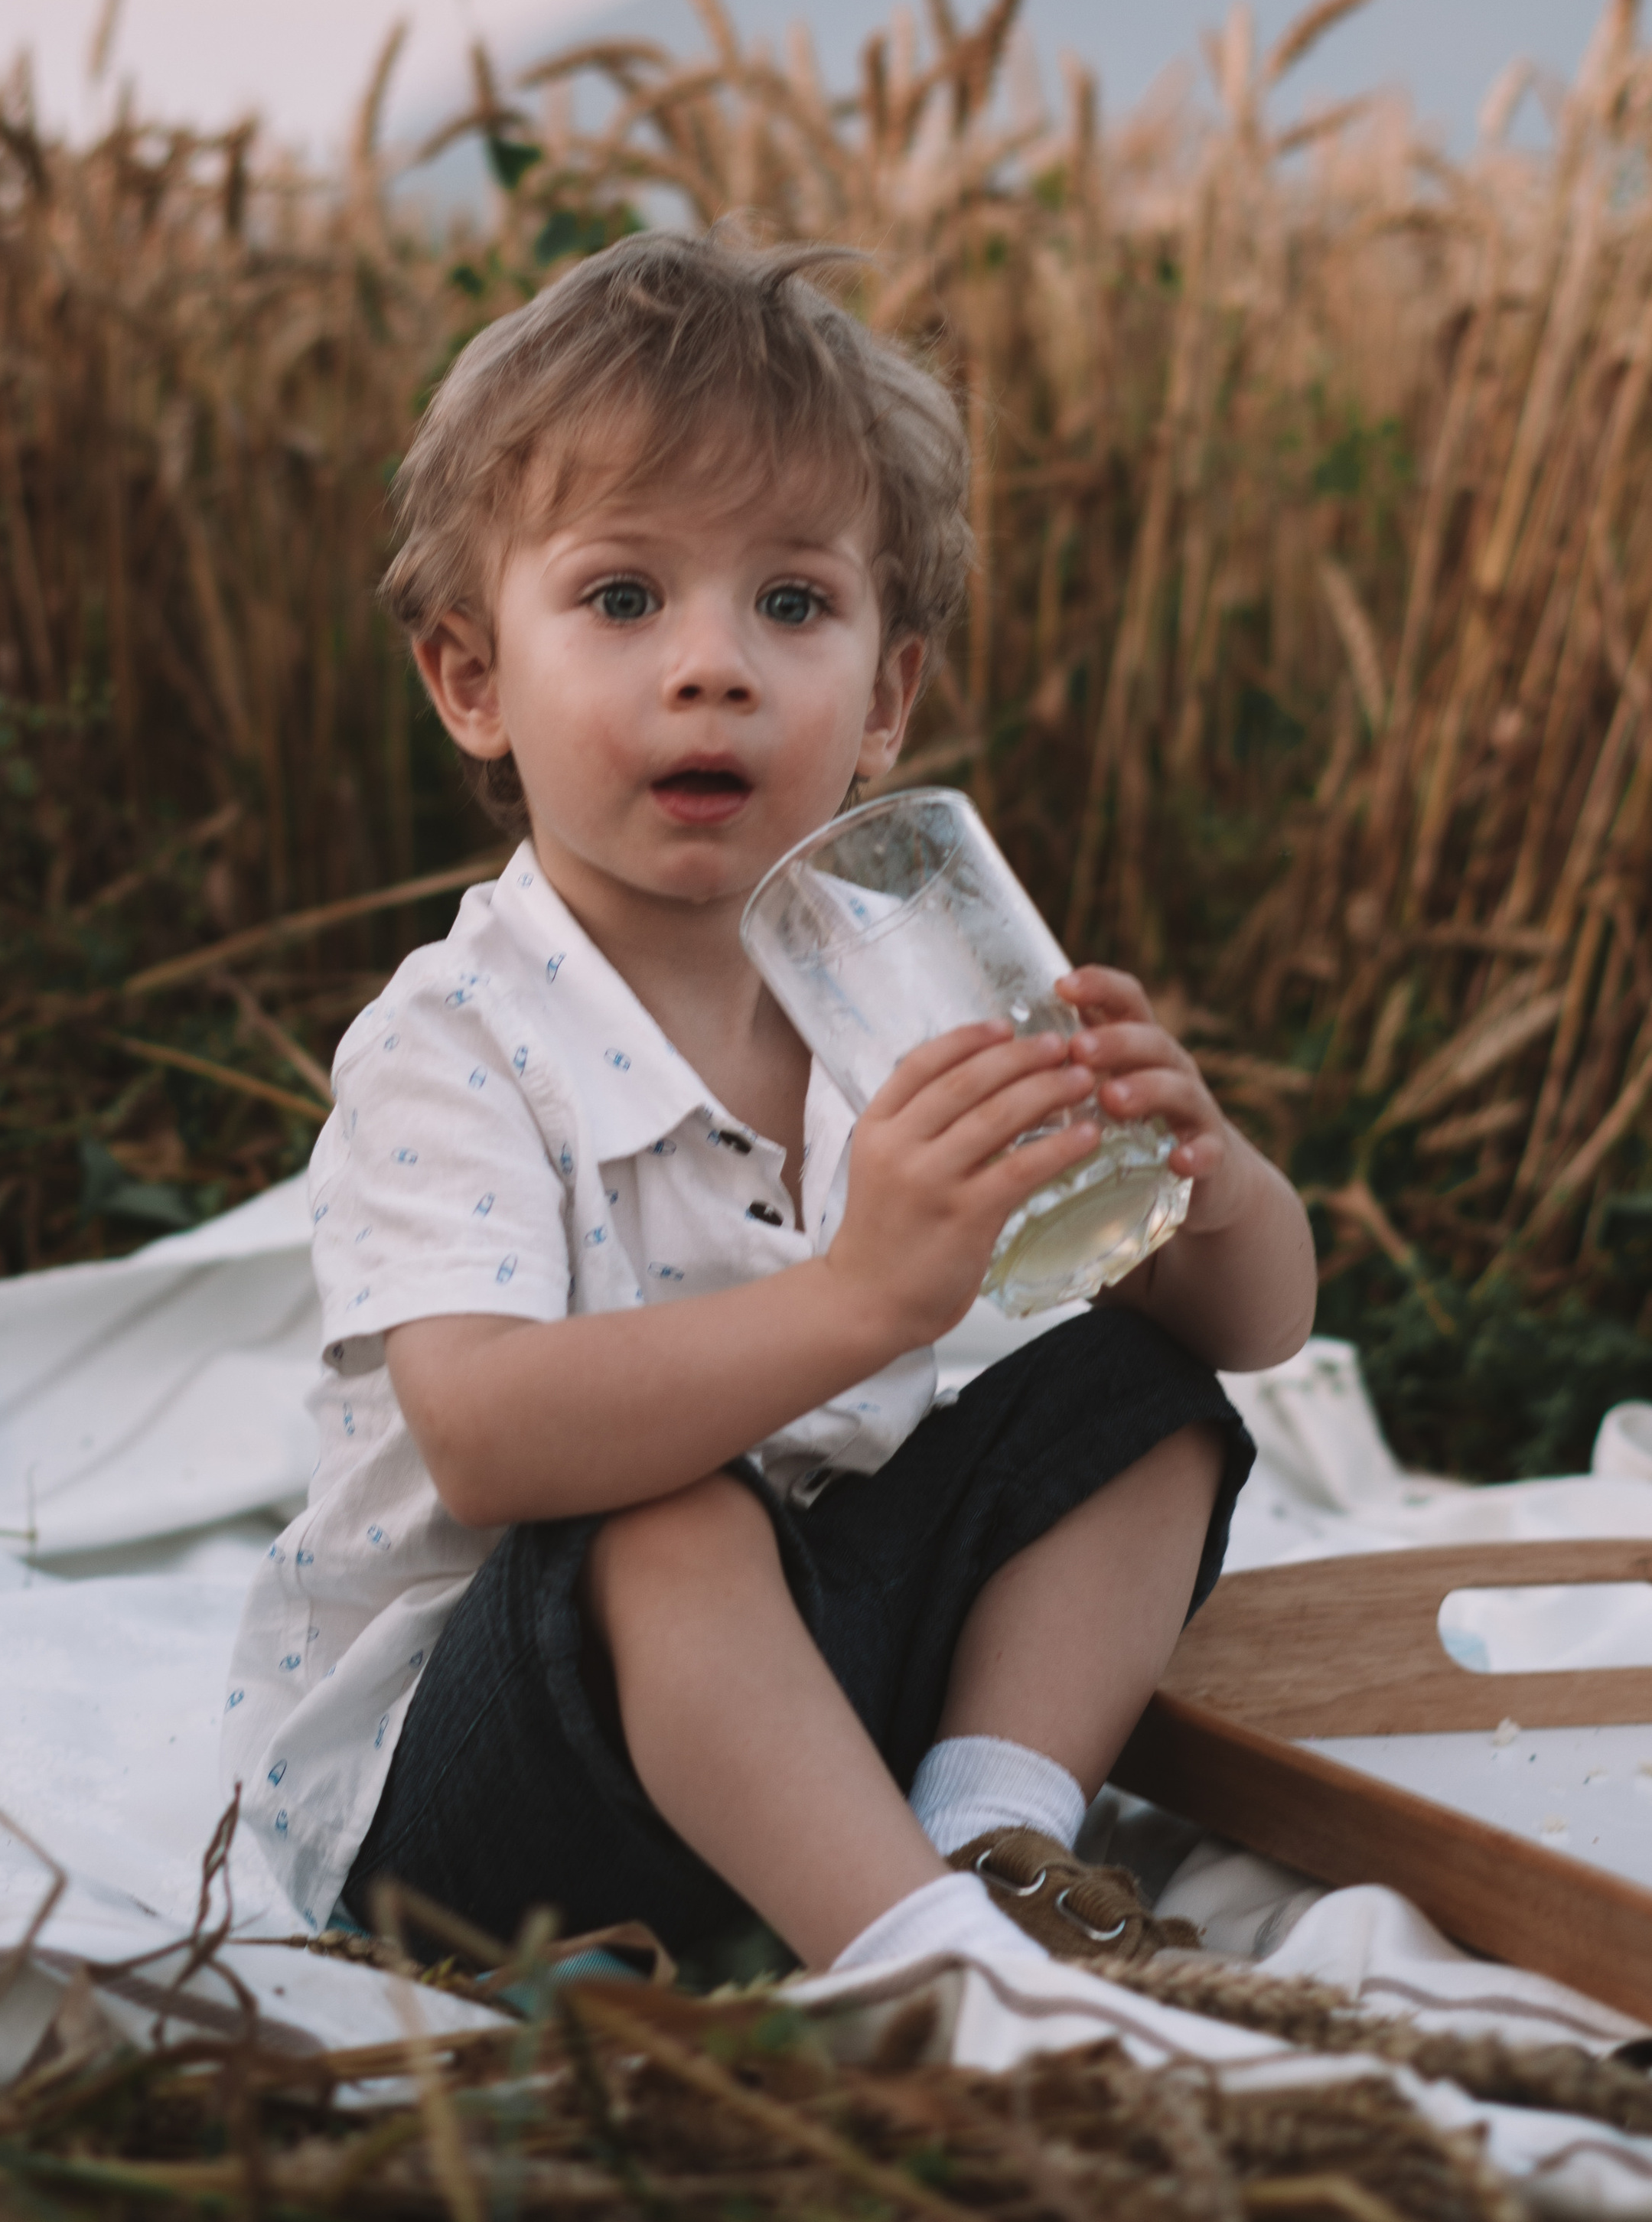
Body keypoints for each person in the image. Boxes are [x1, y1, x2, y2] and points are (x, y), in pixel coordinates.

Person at [223, 230, 1316, 1979]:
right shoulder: (455, 1041)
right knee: (663, 1506)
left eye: (790, 605)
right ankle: (918, 1971)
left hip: (794, 1699)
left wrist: (1207, 1172)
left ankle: (988, 1830)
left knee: (1132, 1392)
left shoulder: (910, 994)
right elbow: (490, 1438)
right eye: (622, 599)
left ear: (884, 701)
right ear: (470, 682)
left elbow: (1254, 1331)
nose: (712, 664)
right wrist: (860, 1300)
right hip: (489, 1797)